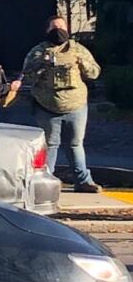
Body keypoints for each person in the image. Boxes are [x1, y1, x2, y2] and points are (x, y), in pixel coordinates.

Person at [21, 16, 103, 193]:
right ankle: (45, 182)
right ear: (47, 30)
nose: (58, 30)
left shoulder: (78, 50)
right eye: (53, 27)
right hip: (47, 106)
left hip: (76, 106)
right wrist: (43, 63)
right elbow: (27, 75)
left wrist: (82, 62)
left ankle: (83, 181)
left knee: (75, 144)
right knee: (50, 145)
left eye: (61, 27)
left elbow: (94, 72)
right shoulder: (38, 51)